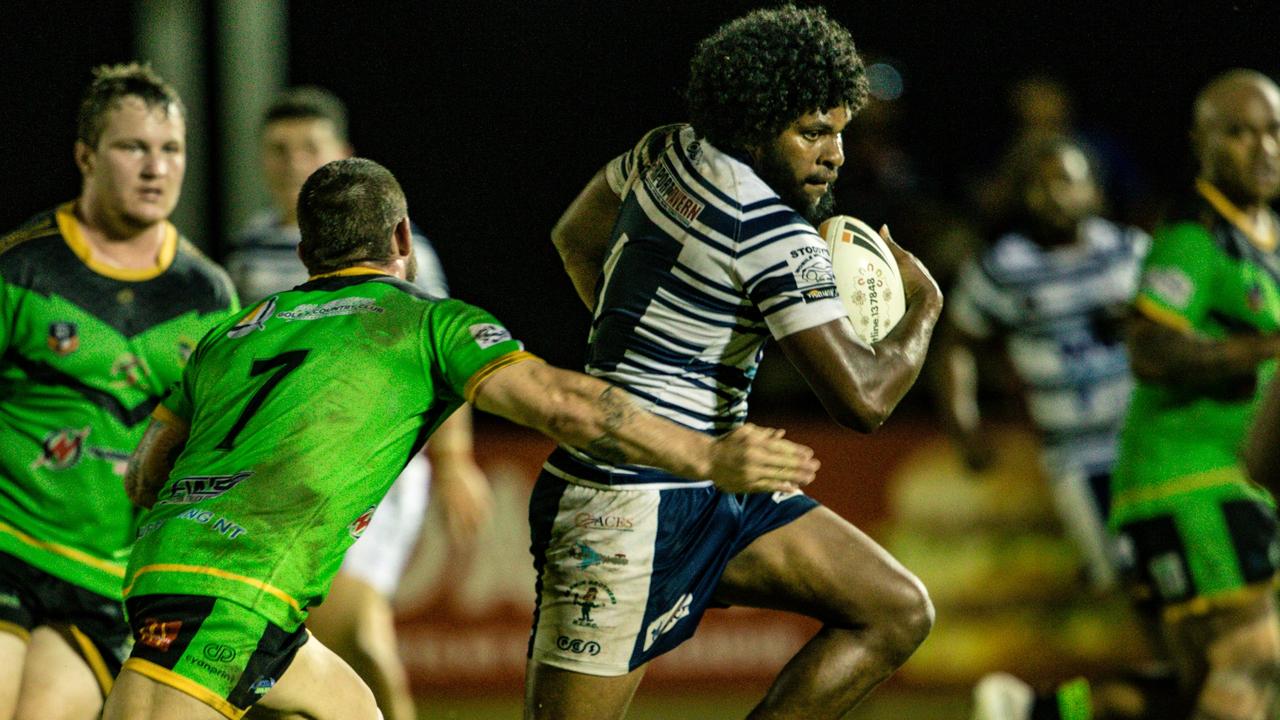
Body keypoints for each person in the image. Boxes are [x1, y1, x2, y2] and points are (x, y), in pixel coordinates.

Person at [101, 157, 819, 720]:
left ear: (305, 251)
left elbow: (145, 472)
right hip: (236, 590)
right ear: (403, 239)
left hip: (175, 569)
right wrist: (707, 456)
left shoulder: (235, 330)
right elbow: (563, 403)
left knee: (353, 711)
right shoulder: (423, 321)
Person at [529, 6, 943, 719]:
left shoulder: (667, 150)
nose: (835, 155)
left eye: (840, 131)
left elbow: (575, 237)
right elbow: (866, 402)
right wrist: (928, 301)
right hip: (622, 504)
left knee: (895, 608)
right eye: (813, 133)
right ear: (755, 124)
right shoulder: (774, 232)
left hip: (711, 478)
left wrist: (636, 349)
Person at [976, 69, 1280, 720]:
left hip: (1231, 482)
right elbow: (1150, 348)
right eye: (1240, 133)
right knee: (1256, 659)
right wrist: (1268, 348)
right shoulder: (1195, 238)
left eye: (1274, 132)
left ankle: (1037, 713)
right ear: (1202, 141)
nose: (1263, 149)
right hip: (1187, 483)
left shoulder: (1260, 240)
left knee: (1208, 680)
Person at [224, 87, 486, 720]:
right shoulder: (247, 249)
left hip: (379, 465)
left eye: (308, 148)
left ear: (341, 156)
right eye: (278, 150)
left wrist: (454, 459)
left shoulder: (399, 249)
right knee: (294, 648)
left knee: (357, 630)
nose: (292, 163)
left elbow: (443, 346)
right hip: (286, 470)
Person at [0, 63, 239, 719]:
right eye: (134, 147)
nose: (155, 167)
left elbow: (215, 446)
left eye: (171, 150)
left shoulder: (209, 295)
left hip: (106, 579)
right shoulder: (21, 265)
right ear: (85, 155)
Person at [938, 134, 1149, 591]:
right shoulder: (1003, 268)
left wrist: (1139, 323)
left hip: (1146, 436)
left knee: (1169, 563)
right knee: (1120, 574)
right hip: (1073, 451)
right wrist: (964, 421)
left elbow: (1179, 331)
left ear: (1094, 190)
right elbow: (958, 343)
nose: (1055, 196)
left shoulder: (1129, 252)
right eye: (1040, 185)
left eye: (1068, 183)